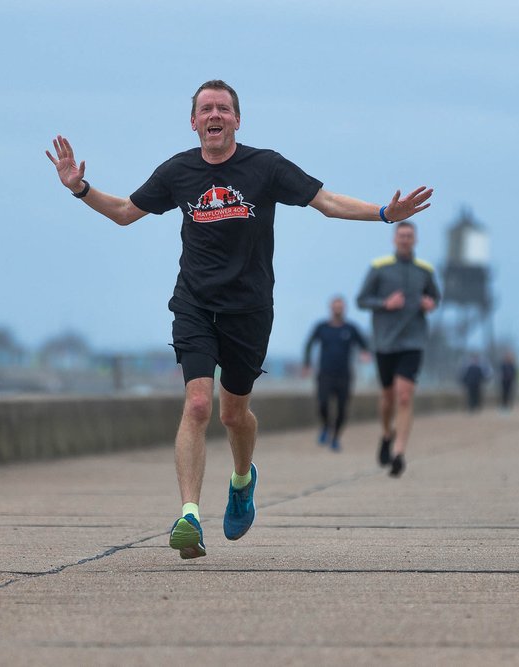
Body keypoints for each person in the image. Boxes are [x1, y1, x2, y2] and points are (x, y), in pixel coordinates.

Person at [45, 80, 432, 560]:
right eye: (206, 109)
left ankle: (243, 479)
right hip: (193, 305)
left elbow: (326, 203)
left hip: (249, 310)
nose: (215, 115)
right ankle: (189, 514)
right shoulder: (177, 171)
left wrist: (383, 213)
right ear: (193, 122)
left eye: (223, 109)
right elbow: (126, 212)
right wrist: (79, 188)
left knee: (233, 413)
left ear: (236, 120)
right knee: (200, 405)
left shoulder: (264, 166)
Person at [357, 222, 440, 477]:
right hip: (385, 341)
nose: (405, 240)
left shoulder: (425, 270)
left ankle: (399, 453)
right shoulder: (379, 267)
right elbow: (361, 300)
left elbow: (436, 297)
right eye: (401, 236)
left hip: (413, 341)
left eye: (409, 236)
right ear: (394, 239)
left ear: (415, 240)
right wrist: (385, 303)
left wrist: (430, 304)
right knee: (388, 398)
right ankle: (386, 433)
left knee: (404, 395)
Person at [302, 296, 370, 451]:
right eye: (335, 306)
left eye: (340, 307)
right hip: (325, 374)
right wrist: (307, 363)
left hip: (344, 375)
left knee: (342, 409)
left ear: (344, 309)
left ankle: (336, 438)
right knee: (323, 403)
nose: (338, 309)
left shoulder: (351, 329)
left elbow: (364, 344)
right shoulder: (322, 327)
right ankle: (326, 427)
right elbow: (309, 343)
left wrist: (365, 353)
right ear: (331, 308)